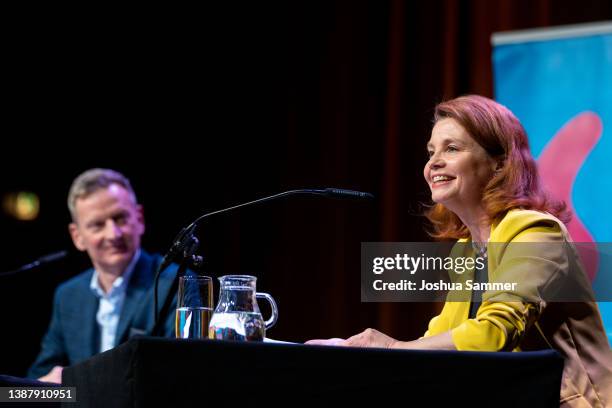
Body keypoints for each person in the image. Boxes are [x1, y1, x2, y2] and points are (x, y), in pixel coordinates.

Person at [307, 95, 612, 406]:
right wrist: (346, 351)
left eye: (451, 149)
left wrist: (389, 348)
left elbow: (494, 333)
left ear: (499, 163)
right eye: (431, 152)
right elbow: (441, 337)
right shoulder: (466, 251)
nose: (433, 163)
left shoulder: (535, 231)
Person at [28, 168, 179, 383]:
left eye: (120, 218)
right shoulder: (68, 296)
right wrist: (44, 390)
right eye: (97, 225)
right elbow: (24, 392)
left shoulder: (174, 284)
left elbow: (179, 382)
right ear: (77, 236)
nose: (113, 234)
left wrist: (75, 387)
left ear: (140, 218)